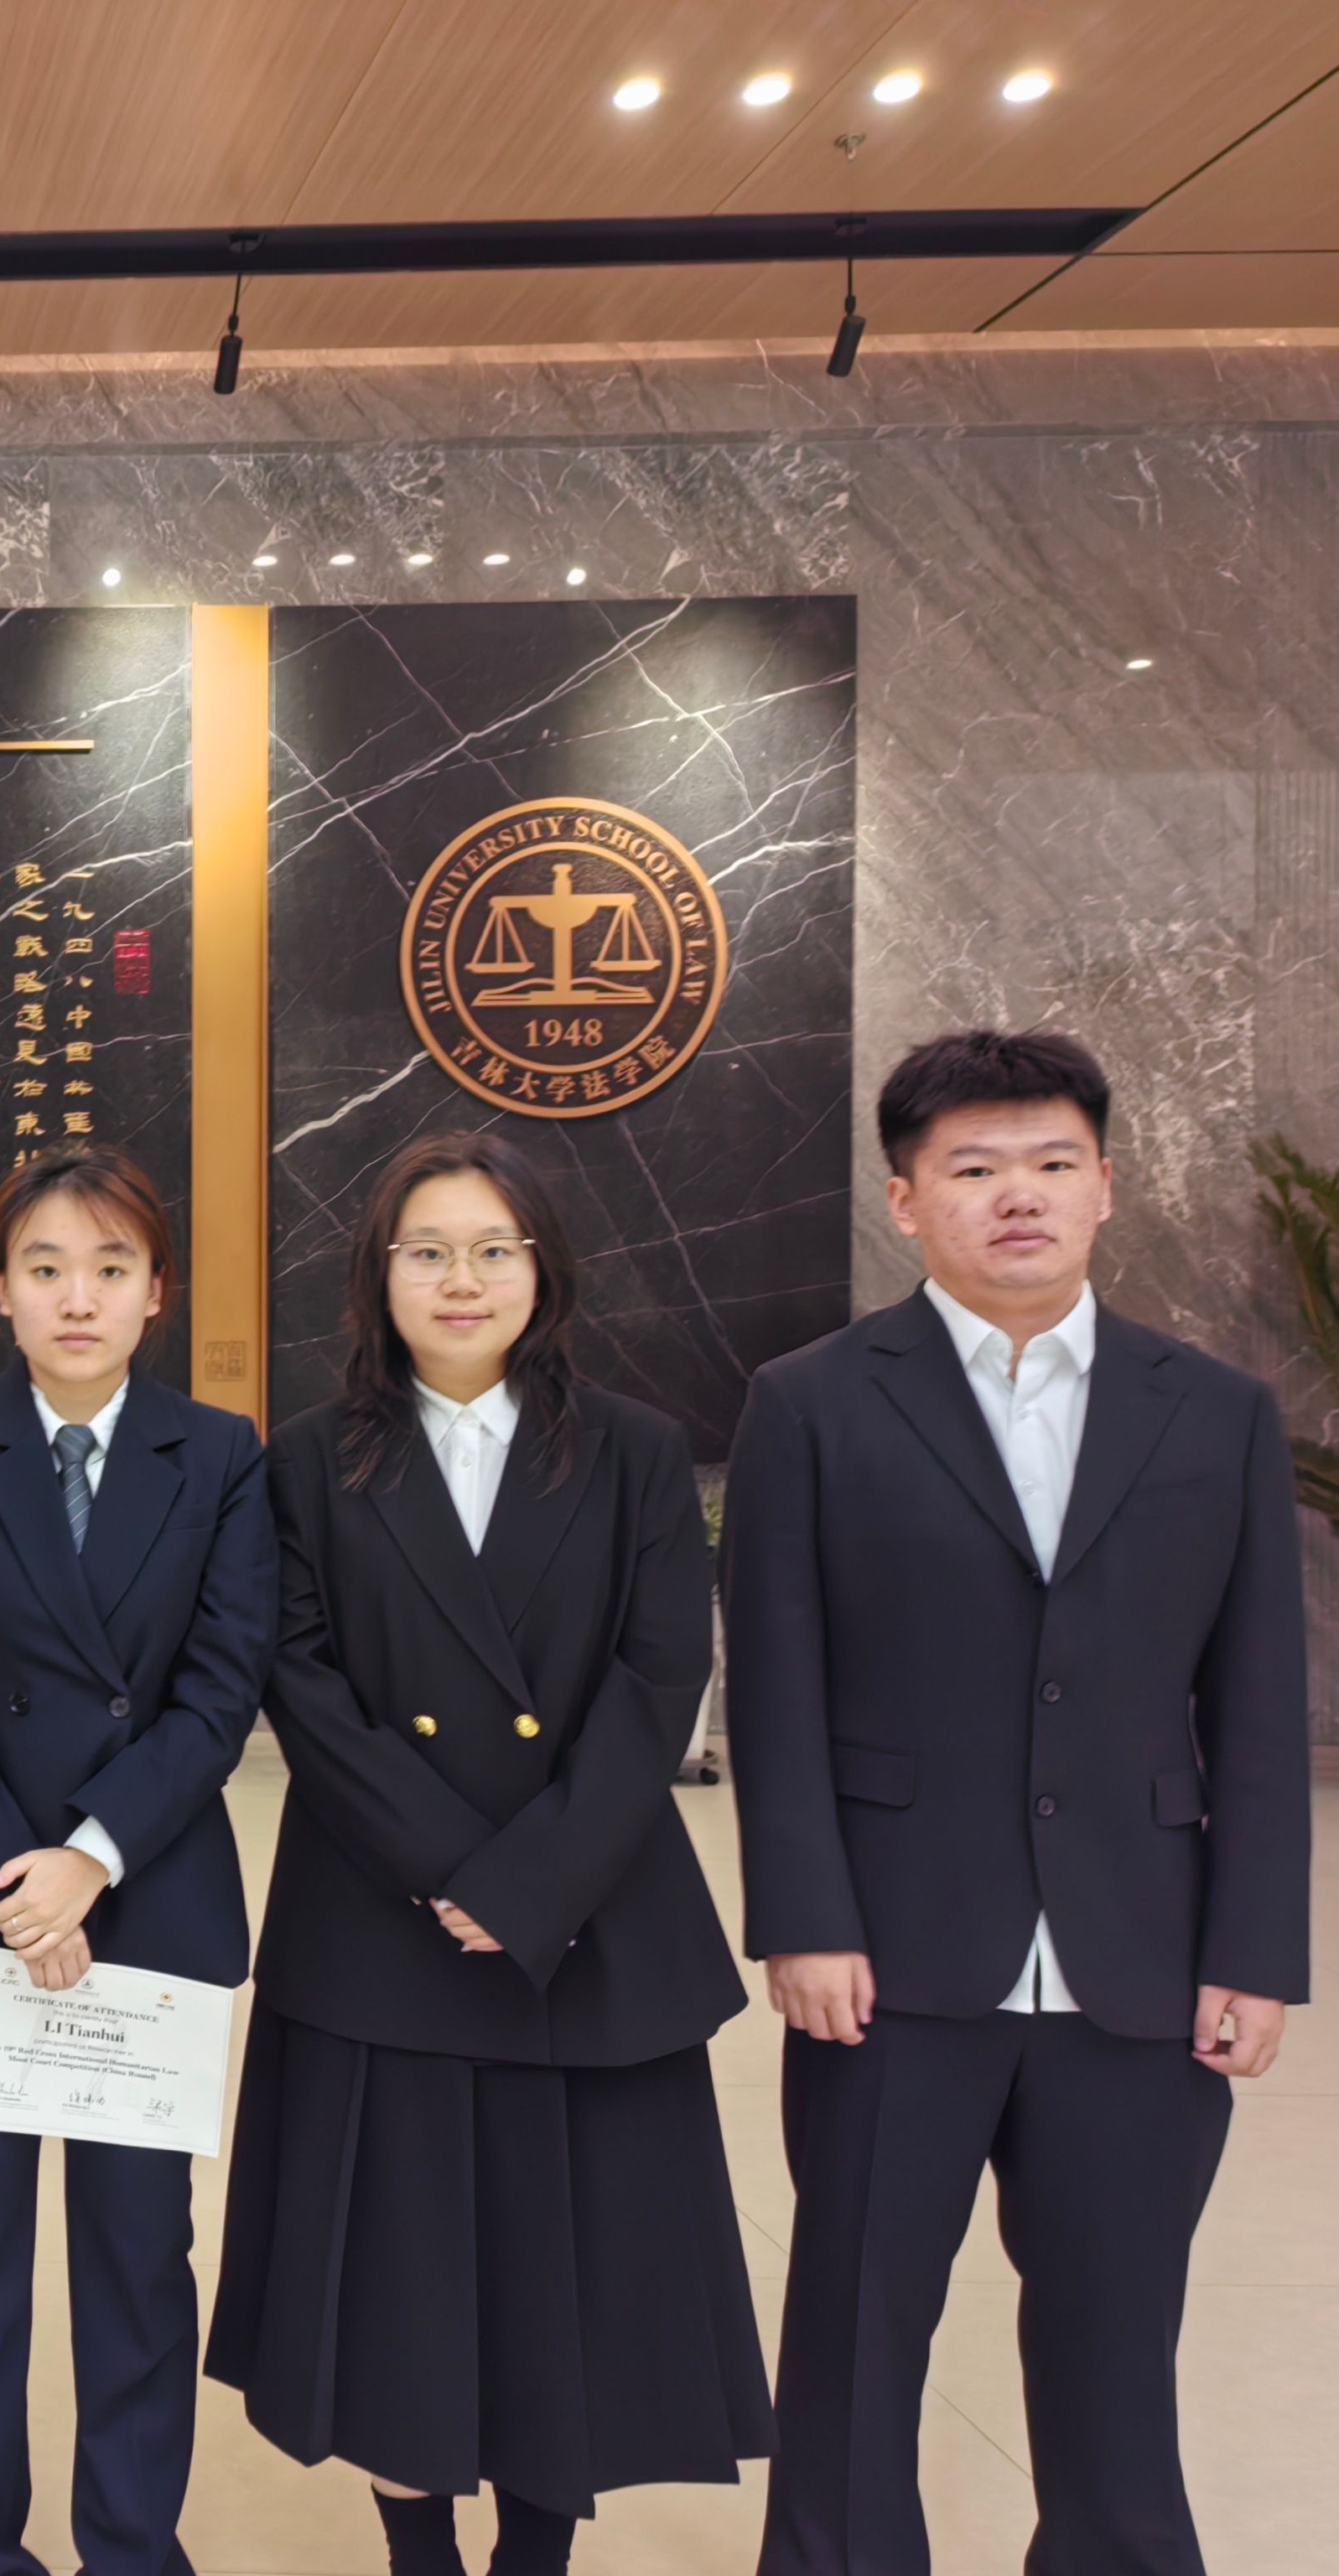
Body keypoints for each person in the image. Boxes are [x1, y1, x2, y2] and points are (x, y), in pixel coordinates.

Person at [728, 1031, 1309, 2576]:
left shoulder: (1215, 1411)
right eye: (974, 1168)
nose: (1020, 1196)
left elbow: (1259, 1707)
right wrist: (803, 1919)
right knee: (857, 2338)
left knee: (1119, 2345)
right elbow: (776, 1687)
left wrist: (1253, 1951)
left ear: (1106, 1185)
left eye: (1053, 1163)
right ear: (906, 1200)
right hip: (887, 1963)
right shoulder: (812, 1403)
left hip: (1141, 1961)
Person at [207, 1131, 766, 2576]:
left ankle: (535, 2556)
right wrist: (447, 1866)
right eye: (428, 1252)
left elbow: (660, 1678)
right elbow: (299, 1680)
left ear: (543, 1270)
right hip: (382, 1917)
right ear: (377, 1275)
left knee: (563, 2274)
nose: (462, 1279)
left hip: (585, 1919)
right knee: (398, 2279)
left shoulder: (636, 1449)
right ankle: (420, 2555)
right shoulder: (309, 1458)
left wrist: (525, 1885)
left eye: (493, 1250)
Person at [0, 1146, 274, 2576]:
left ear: (157, 1290)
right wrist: (20, 1880)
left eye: (111, 1268)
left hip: (147, 1901)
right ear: (1, 1288)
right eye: (45, 1268)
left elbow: (222, 1687)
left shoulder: (219, 1454)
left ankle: (130, 2547)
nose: (78, 1298)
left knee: (136, 2260)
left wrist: (92, 1857)